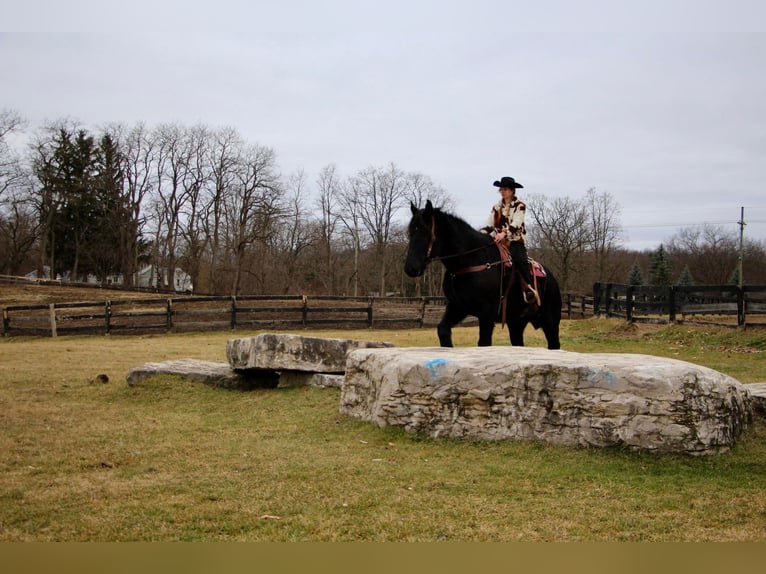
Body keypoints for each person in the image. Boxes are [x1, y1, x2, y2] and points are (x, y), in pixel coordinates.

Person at [480, 176, 538, 304]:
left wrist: (504, 233)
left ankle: (528, 288)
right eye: (501, 189)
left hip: (515, 241)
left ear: (512, 191)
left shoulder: (520, 206)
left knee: (520, 260)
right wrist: (480, 234)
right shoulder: (496, 207)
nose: (502, 191)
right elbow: (489, 225)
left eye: (505, 189)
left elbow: (516, 223)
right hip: (497, 241)